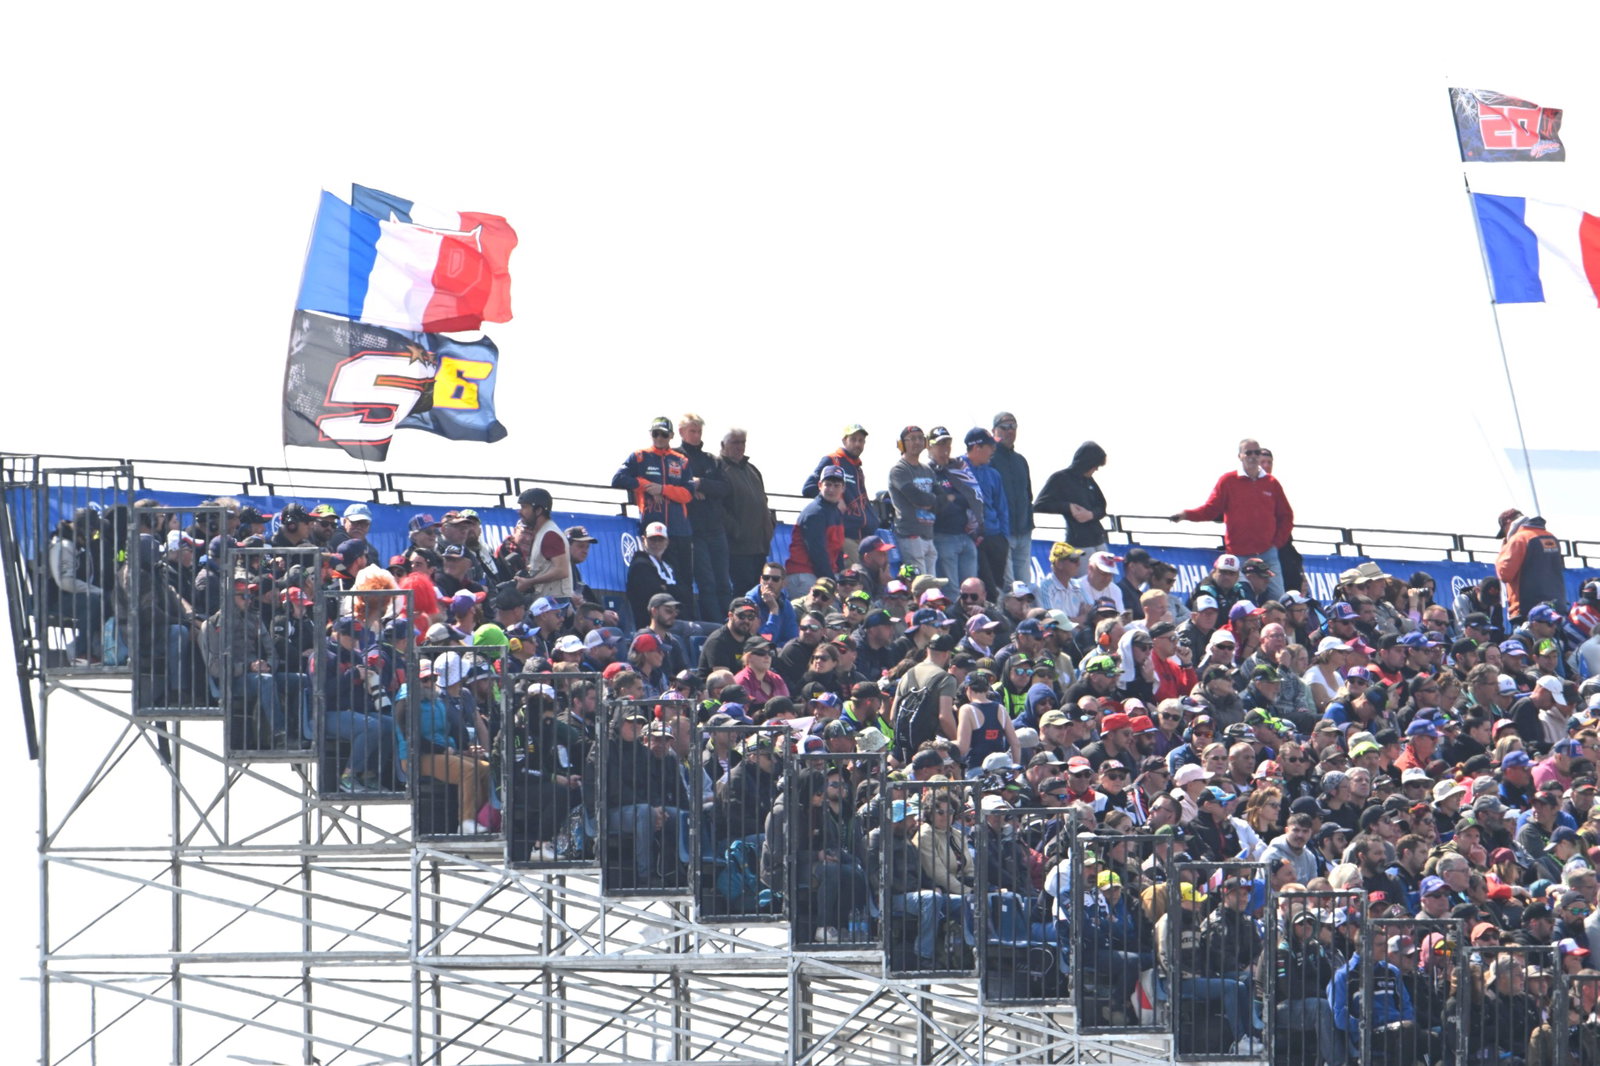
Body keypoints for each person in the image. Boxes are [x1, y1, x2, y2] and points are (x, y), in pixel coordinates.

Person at [1168, 438, 1293, 602]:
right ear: (1240, 456)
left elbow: (1287, 515)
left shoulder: (1271, 483)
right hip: (1238, 555)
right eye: (1248, 452)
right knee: (1243, 599)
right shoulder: (1228, 481)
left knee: (1278, 599)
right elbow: (1211, 509)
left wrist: (1276, 543)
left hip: (1267, 554)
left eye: (1257, 452)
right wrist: (1186, 514)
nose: (1253, 456)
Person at [612, 417, 695, 614]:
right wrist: (646, 486)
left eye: (663, 434)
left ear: (671, 436)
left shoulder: (681, 460)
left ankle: (688, 623)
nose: (659, 438)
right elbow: (618, 479)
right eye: (655, 433)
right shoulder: (640, 456)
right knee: (654, 581)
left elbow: (688, 494)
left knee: (683, 582)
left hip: (679, 532)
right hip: (653, 530)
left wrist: (662, 489)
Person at [675, 413, 732, 622]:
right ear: (681, 432)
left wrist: (702, 484)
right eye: (692, 431)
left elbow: (725, 488)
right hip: (693, 530)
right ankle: (715, 624)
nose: (696, 435)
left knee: (724, 582)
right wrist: (693, 489)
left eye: (699, 431)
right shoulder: (674, 457)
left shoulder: (711, 460)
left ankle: (728, 621)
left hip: (716, 528)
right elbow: (677, 486)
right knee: (706, 582)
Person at [718, 427, 776, 595]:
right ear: (723, 444)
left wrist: (769, 525)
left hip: (759, 546)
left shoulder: (752, 470)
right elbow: (717, 508)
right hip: (737, 548)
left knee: (757, 592)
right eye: (735, 442)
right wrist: (736, 530)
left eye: (743, 442)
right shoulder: (719, 468)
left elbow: (763, 501)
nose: (740, 447)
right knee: (741, 592)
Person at [800, 424, 871, 561]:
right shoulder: (832, 460)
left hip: (861, 535)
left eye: (861, 440)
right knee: (855, 575)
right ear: (844, 441)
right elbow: (809, 487)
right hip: (843, 533)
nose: (857, 444)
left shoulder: (857, 467)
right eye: (853, 439)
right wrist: (836, 500)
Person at [926, 427, 982, 588]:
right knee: (950, 589)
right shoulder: (927, 472)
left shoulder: (959, 468)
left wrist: (953, 499)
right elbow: (935, 503)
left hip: (966, 535)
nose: (945, 449)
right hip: (943, 536)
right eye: (940, 444)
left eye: (947, 444)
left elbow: (972, 498)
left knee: (971, 589)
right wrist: (951, 499)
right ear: (930, 447)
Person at [1033, 441, 1109, 555]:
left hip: (1099, 540)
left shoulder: (1089, 481)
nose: (1096, 469)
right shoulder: (1060, 478)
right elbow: (1040, 505)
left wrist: (1091, 514)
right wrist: (1068, 507)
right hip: (1078, 542)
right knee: (1083, 573)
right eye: (1095, 466)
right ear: (1087, 463)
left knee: (1105, 572)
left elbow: (1102, 507)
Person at [783, 465, 848, 599]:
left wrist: (842, 579)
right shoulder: (814, 513)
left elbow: (838, 550)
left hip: (819, 573)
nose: (831, 489)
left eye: (836, 485)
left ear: (843, 488)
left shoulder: (835, 512)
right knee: (827, 609)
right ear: (819, 485)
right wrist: (832, 584)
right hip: (803, 574)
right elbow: (818, 554)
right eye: (828, 484)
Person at [1495, 508, 1567, 622]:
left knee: (1529, 640)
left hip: (1528, 610)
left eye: (1504, 531)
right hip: (1556, 608)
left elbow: (1504, 573)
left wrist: (1505, 547)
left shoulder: (1518, 539)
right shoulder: (1550, 536)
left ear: (1508, 523)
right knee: (1550, 640)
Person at [887, 425, 939, 578]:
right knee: (920, 585)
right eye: (912, 439)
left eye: (920, 438)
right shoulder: (899, 470)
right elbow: (916, 497)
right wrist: (931, 501)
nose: (917, 442)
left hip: (929, 535)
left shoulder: (928, 470)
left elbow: (942, 500)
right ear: (902, 444)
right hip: (910, 536)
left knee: (932, 588)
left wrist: (931, 502)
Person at [989, 413, 1035, 585]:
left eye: (1013, 426)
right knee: (1008, 584)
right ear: (994, 431)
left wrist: (1029, 523)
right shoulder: (989, 459)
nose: (1009, 431)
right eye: (1004, 427)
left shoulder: (1020, 460)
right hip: (1002, 532)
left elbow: (1028, 494)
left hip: (1023, 530)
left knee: (1025, 584)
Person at [625, 522, 678, 626]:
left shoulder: (669, 566)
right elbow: (654, 593)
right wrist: (672, 589)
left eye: (660, 539)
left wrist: (666, 587)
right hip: (651, 623)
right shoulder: (640, 565)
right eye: (652, 539)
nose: (656, 544)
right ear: (643, 540)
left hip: (673, 619)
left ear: (667, 542)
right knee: (696, 629)